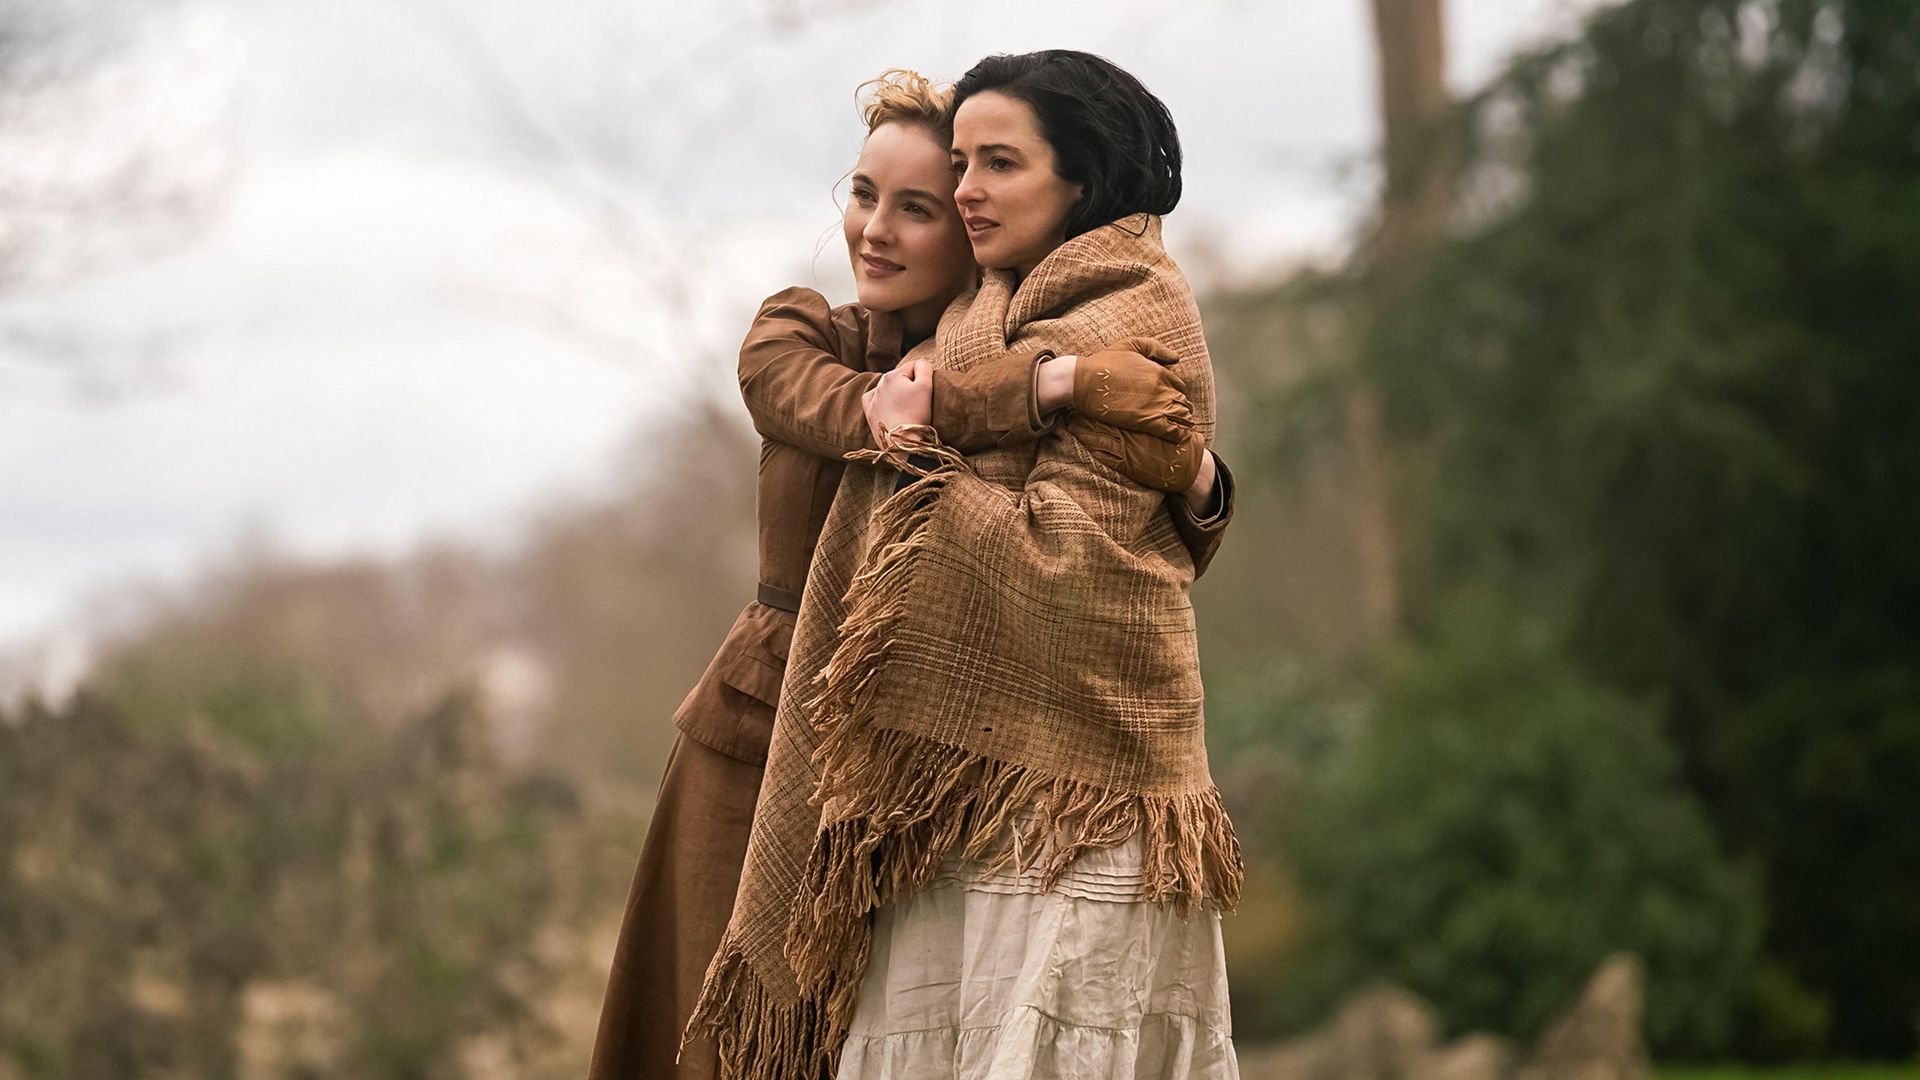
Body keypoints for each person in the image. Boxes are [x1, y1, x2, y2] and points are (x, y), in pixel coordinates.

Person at [586, 68, 1234, 1080]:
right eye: (862, 194)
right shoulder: (804, 332)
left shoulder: (1019, 325)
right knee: (723, 1044)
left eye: (919, 206)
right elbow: (874, 410)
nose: (876, 230)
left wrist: (1197, 477)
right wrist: (1060, 384)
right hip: (766, 729)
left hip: (911, 754)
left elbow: (1126, 548)